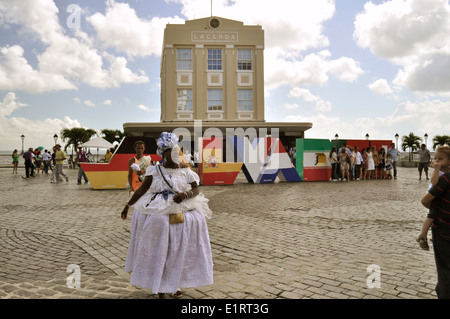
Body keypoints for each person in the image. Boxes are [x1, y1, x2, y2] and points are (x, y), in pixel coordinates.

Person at [121, 132, 213, 299]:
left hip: (181, 215)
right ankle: (161, 288)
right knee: (160, 251)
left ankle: (174, 283)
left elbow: (196, 189)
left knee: (177, 251)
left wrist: (185, 196)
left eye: (177, 150)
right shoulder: (154, 170)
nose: (177, 153)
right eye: (172, 151)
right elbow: (142, 189)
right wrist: (128, 205)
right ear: (164, 153)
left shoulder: (185, 170)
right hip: (158, 213)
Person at [421, 154, 450, 299]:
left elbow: (425, 200)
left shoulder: (446, 179)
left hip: (444, 230)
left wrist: (435, 210)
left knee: (445, 271)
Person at [417, 146, 450, 251]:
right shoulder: (437, 171)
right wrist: (436, 169)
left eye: (440, 159)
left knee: (437, 216)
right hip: (434, 196)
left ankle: (433, 236)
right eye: (435, 158)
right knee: (432, 215)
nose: (436, 161)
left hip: (441, 197)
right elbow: (434, 183)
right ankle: (422, 235)